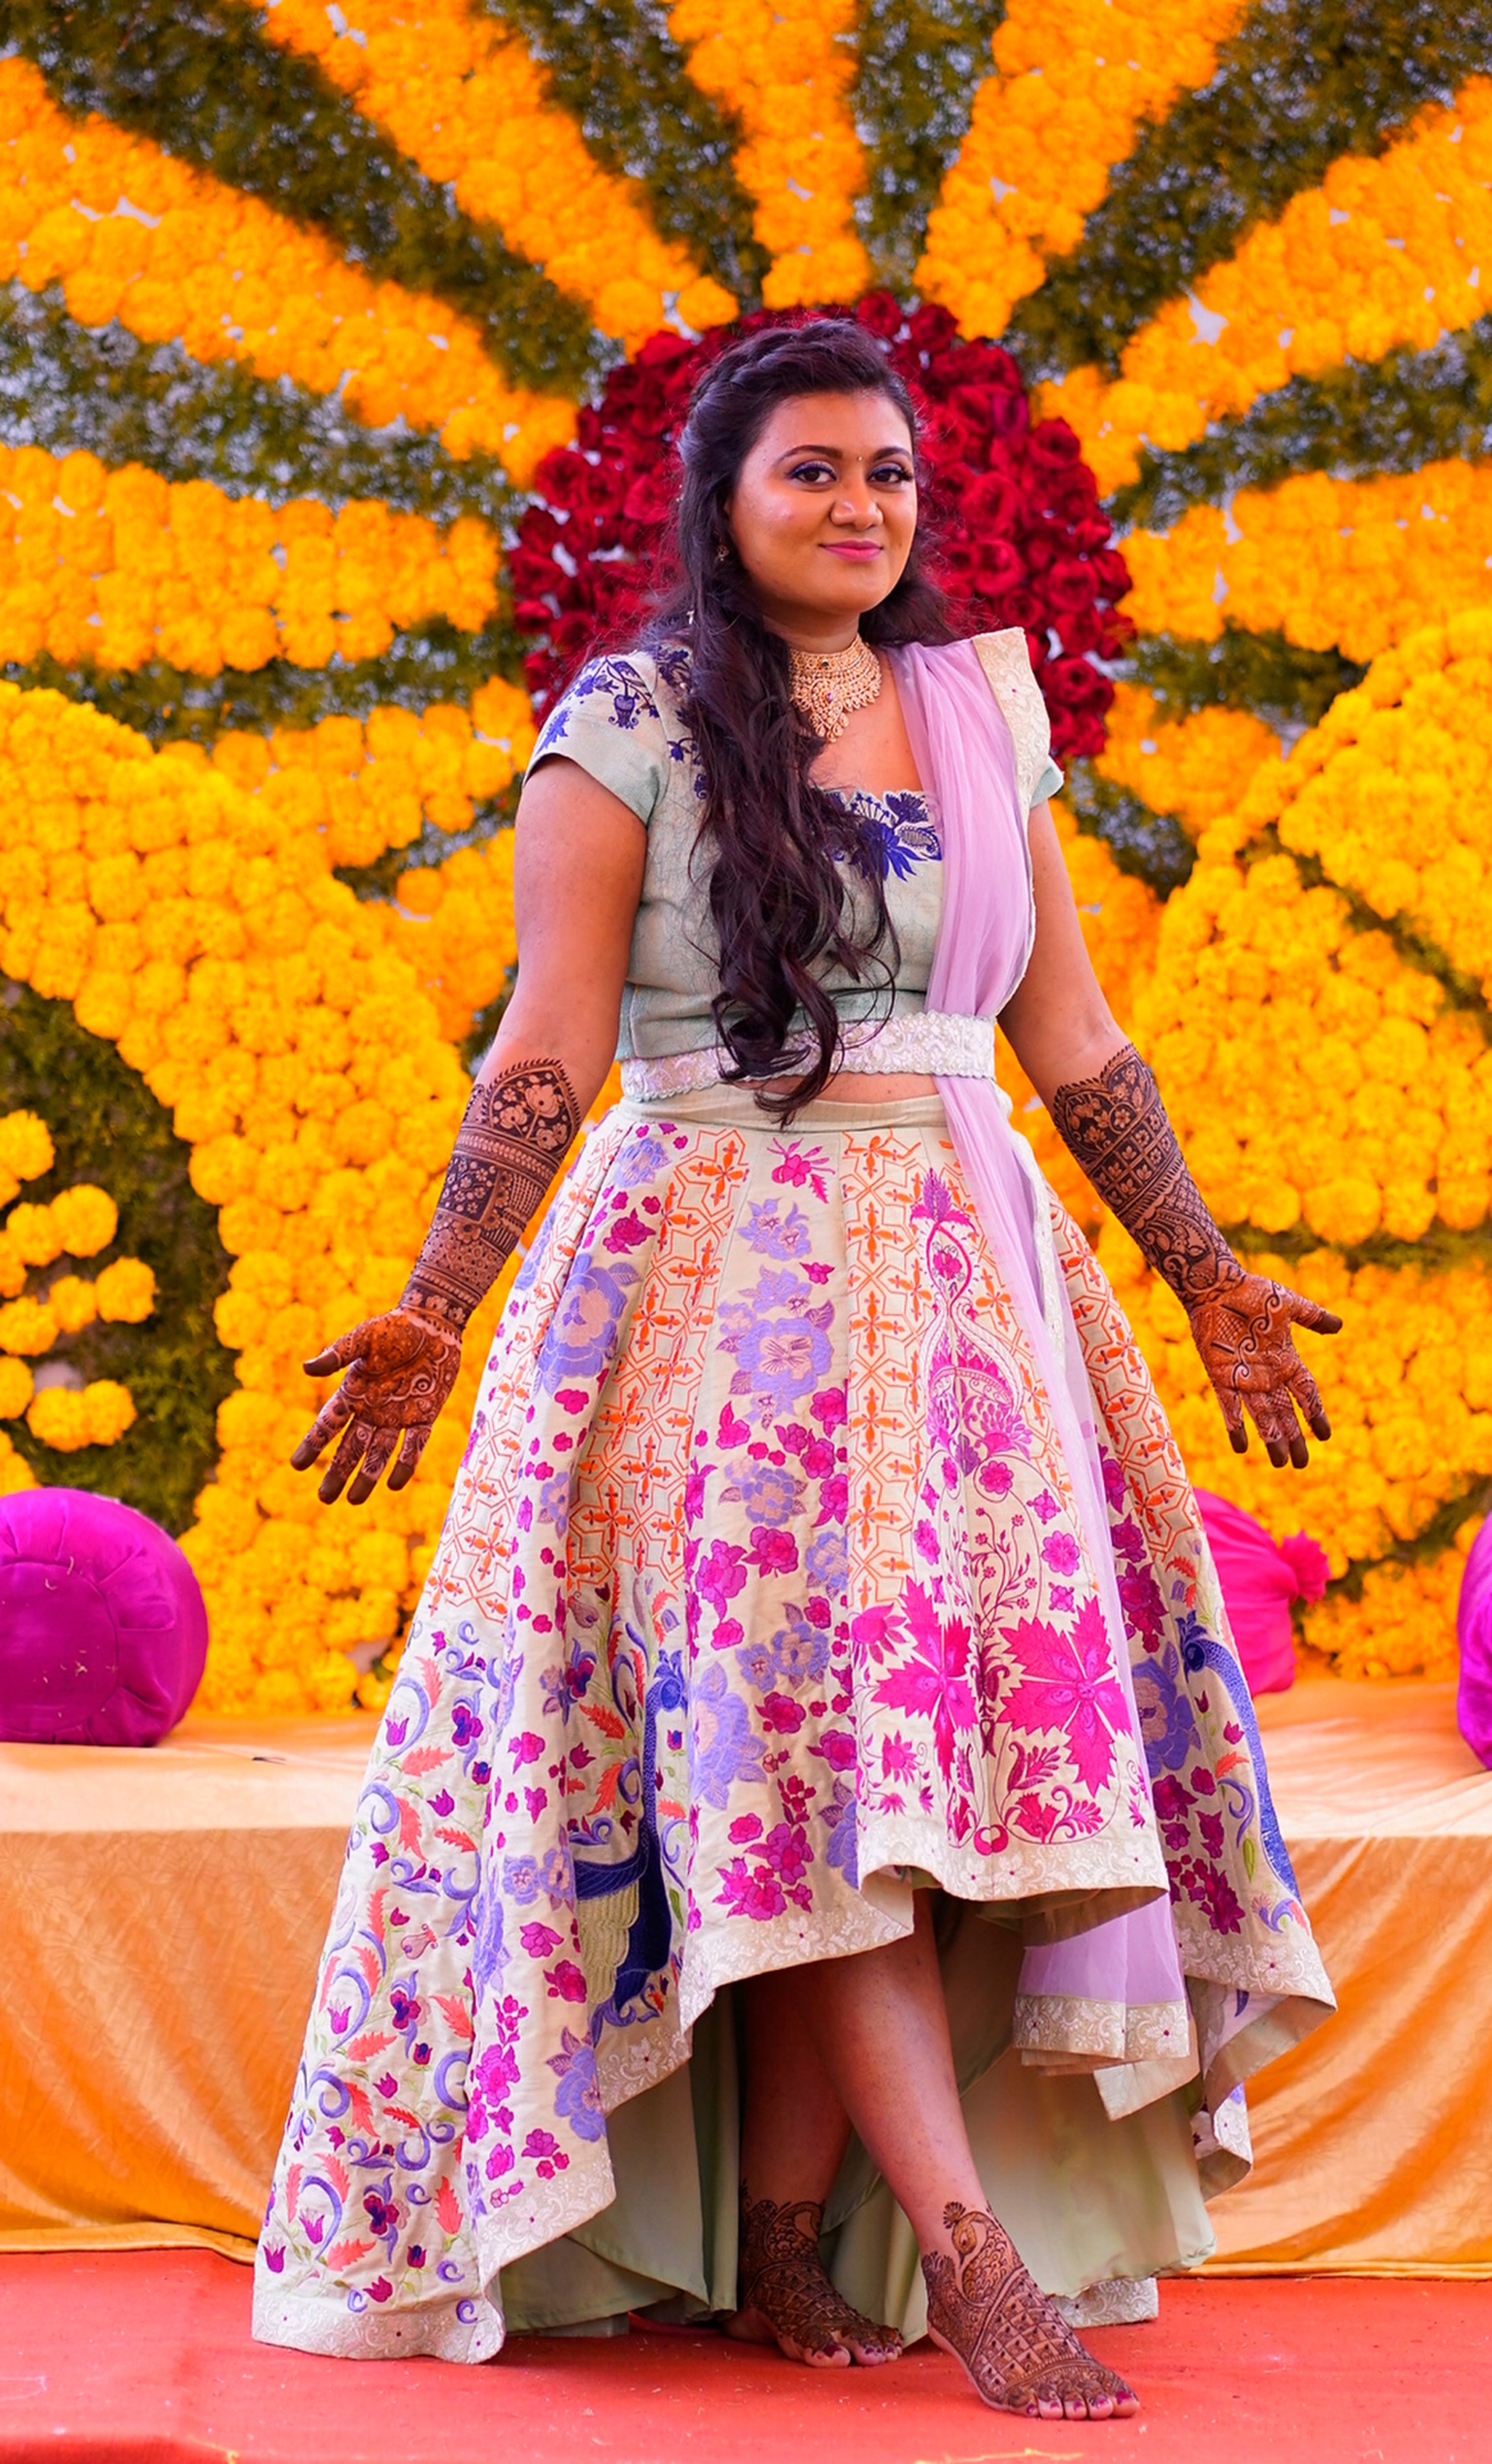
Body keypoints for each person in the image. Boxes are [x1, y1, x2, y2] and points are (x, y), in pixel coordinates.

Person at [254, 319, 1337, 2421]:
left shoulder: (974, 709)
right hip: (710, 1303)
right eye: (811, 474)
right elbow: (549, 1041)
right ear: (722, 504)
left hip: (965, 1300)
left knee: (925, 1774)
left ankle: (774, 2233)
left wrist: (1200, 1272)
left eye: (889, 479)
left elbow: (1073, 1041)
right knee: (814, 1760)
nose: (859, 510)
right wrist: (437, 1286)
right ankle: (965, 2255)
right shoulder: (630, 720)